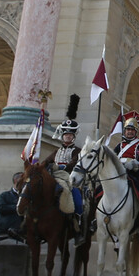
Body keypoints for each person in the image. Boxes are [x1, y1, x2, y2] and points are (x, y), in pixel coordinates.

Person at [43, 94, 86, 245]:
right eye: (65, 134)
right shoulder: (56, 151)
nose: (67, 137)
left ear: (73, 137)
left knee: (77, 201)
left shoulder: (78, 151)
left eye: (70, 135)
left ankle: (77, 228)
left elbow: (74, 163)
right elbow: (46, 162)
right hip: (54, 178)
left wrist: (60, 167)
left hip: (70, 179)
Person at [0, 172, 24, 242]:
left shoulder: (26, 197)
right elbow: (2, 208)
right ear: (16, 180)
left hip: (21, 234)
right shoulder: (4, 195)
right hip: (5, 233)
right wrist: (19, 207)